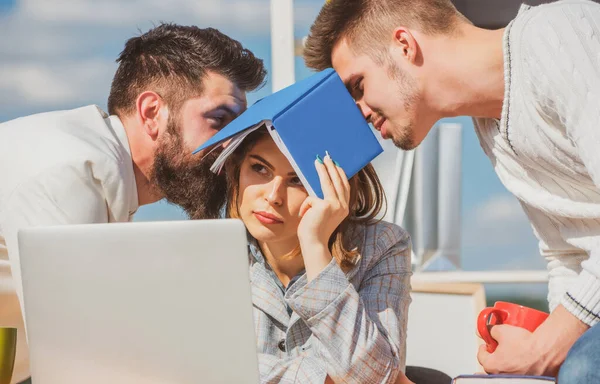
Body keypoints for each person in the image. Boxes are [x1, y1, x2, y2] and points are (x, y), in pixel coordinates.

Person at [303, 0, 600, 381]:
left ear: (405, 45)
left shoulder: (558, 33)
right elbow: (565, 252)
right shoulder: (491, 127)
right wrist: (543, 359)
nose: (359, 112)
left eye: (358, 87)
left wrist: (549, 348)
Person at [0, 23, 265, 383]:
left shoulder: (96, 168)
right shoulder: (71, 171)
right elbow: (79, 360)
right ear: (153, 112)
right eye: (219, 121)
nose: (231, 146)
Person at [214, 128, 413, 383]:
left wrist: (315, 245)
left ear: (336, 186)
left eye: (297, 180)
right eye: (260, 168)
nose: (273, 196)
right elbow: (197, 365)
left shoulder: (383, 246)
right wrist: (322, 379)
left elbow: (375, 378)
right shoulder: (214, 252)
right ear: (237, 170)